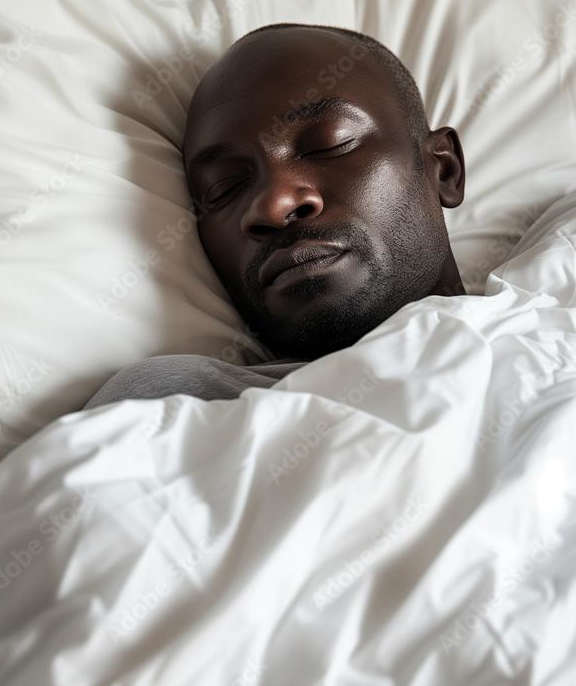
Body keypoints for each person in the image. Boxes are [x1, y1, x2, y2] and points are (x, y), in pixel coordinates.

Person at [84, 23, 466, 410]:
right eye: (225, 188)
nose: (273, 204)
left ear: (444, 170)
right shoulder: (167, 409)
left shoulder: (530, 305)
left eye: (329, 145)